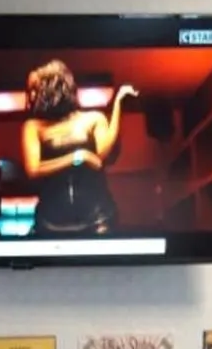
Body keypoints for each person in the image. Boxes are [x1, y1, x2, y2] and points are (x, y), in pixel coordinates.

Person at [20, 60, 136, 236]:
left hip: (97, 219)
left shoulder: (93, 118)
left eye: (36, 89)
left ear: (52, 88)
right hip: (50, 223)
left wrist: (118, 104)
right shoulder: (33, 126)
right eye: (30, 91)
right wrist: (77, 157)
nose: (31, 96)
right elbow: (33, 169)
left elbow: (101, 155)